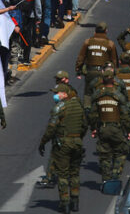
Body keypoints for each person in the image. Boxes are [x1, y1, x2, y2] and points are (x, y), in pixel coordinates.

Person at [39, 83, 88, 214]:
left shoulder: (59, 108)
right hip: (77, 143)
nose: (55, 95)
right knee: (75, 173)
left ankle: (65, 203)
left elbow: (51, 129)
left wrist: (43, 142)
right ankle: (75, 201)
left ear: (64, 94)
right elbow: (84, 125)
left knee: (63, 175)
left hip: (63, 145)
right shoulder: (79, 105)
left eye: (57, 93)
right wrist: (78, 138)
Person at [89, 65, 130, 184]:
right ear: (113, 80)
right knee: (121, 151)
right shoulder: (119, 96)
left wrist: (93, 129)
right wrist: (128, 131)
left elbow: (92, 114)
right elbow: (125, 115)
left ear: (102, 80)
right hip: (116, 129)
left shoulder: (97, 95)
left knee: (104, 155)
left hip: (102, 129)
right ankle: (115, 174)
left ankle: (105, 180)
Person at [74, 22, 119, 107]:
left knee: (88, 93)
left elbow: (81, 57)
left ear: (95, 31)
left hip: (90, 72)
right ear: (106, 31)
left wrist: (78, 69)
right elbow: (114, 61)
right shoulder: (110, 44)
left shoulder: (88, 42)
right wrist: (115, 72)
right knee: (105, 92)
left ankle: (87, 109)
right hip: (104, 73)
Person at [7, 0, 41, 64]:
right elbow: (37, 4)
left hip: (18, 14)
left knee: (15, 36)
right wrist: (38, 17)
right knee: (27, 35)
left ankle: (13, 57)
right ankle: (26, 58)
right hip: (30, 15)